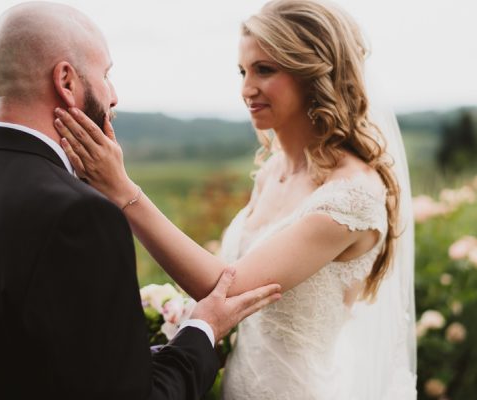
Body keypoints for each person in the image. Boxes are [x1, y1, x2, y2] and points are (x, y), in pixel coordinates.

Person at [0, 3, 282, 399]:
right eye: (106, 74)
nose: (114, 95)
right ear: (66, 81)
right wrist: (201, 329)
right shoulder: (78, 216)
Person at [53, 0, 417, 398]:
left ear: (312, 72)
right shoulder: (272, 171)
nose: (246, 89)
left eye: (265, 69)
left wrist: (123, 191)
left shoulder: (351, 197)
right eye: (243, 71)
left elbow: (230, 289)